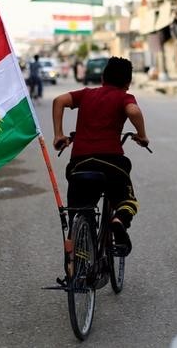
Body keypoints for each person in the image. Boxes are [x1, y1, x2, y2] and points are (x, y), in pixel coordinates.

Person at [52, 56, 150, 256]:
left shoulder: (87, 94)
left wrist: (58, 135)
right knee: (126, 201)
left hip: (80, 163)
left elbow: (59, 101)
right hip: (111, 162)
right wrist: (142, 135)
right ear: (128, 83)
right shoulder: (124, 97)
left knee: (79, 210)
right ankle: (118, 220)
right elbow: (133, 111)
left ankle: (78, 264)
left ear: (103, 77)